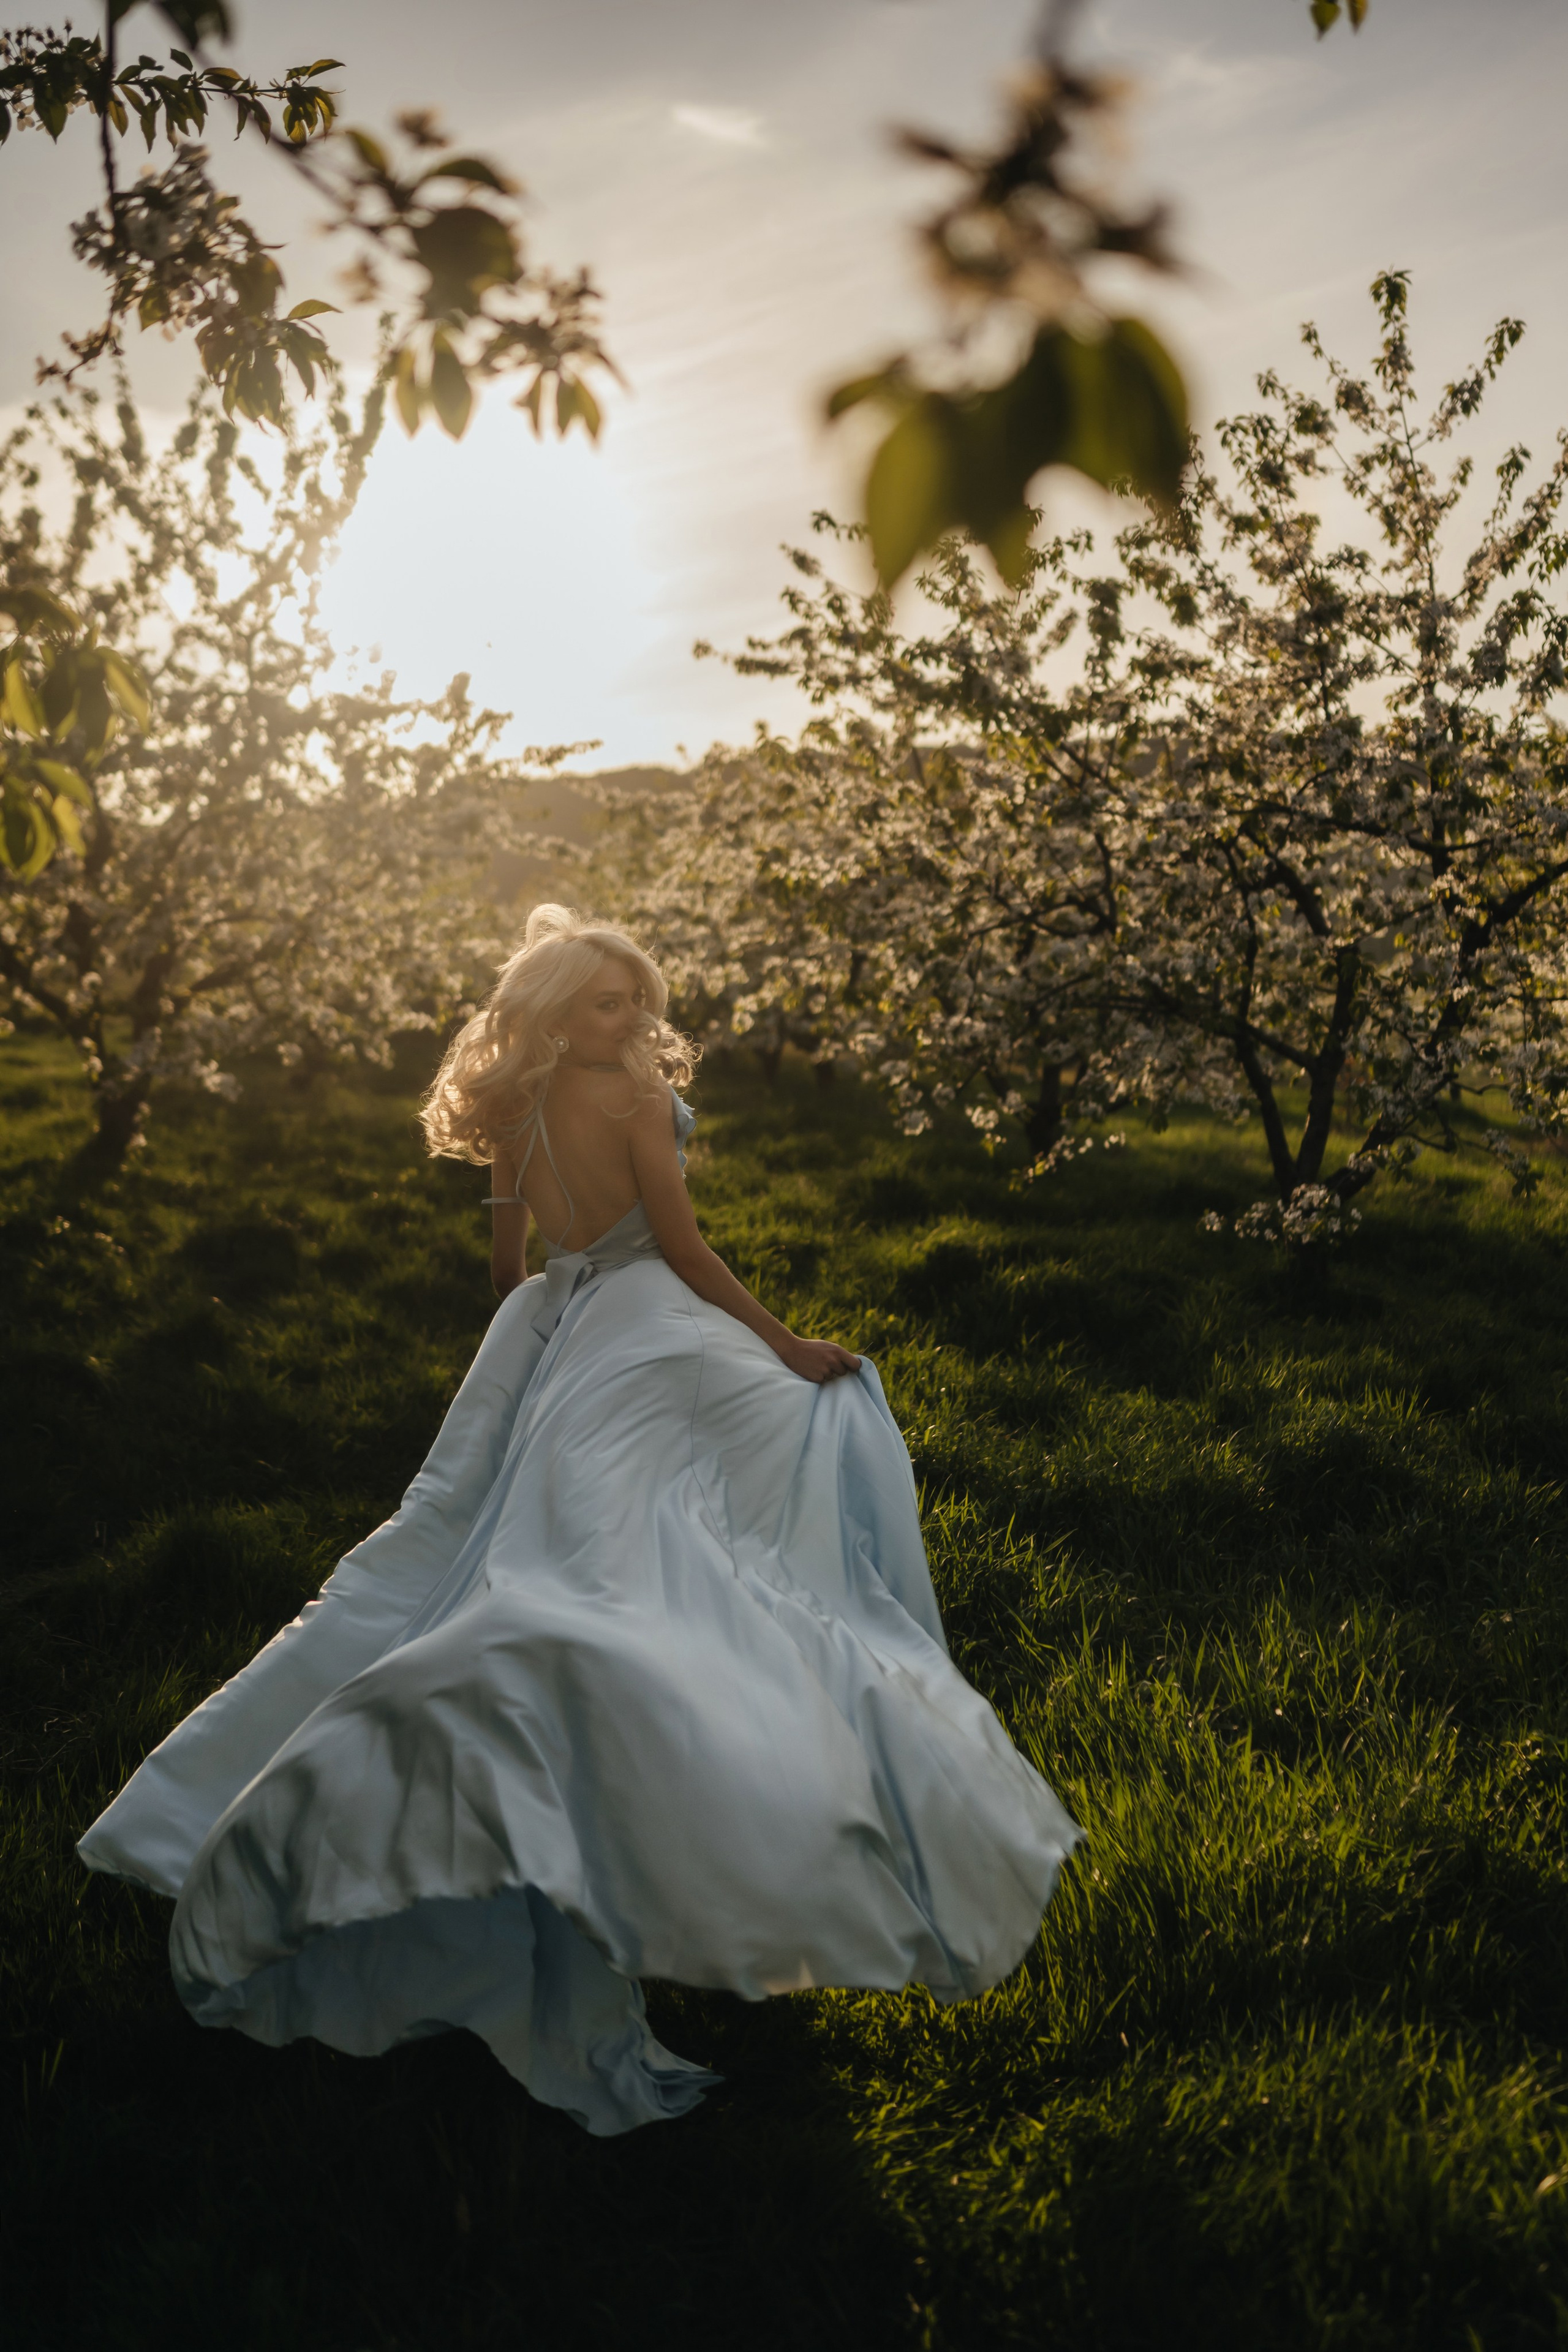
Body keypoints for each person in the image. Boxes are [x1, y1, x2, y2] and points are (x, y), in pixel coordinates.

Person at [78, 905, 1079, 2135]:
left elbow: (509, 1270)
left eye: (634, 1001)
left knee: (454, 1551)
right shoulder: (634, 1102)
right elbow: (682, 1247)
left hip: (545, 1329)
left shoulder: (521, 1107)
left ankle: (261, 1801)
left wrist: (545, 1314)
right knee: (657, 1543)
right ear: (558, 1010)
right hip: (645, 1320)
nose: (631, 1020)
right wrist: (781, 1341)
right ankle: (668, 1740)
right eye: (605, 1004)